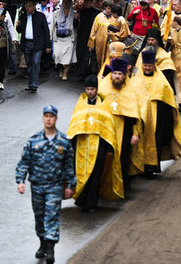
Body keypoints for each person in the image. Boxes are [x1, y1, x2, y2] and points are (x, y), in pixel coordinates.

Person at [15, 105, 75, 264]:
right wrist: (20, 181)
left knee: (52, 216)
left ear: (56, 118)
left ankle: (50, 249)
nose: (48, 119)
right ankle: (42, 243)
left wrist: (70, 184)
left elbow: (69, 165)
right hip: (37, 186)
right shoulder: (33, 140)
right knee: (39, 216)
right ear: (43, 118)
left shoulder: (63, 141)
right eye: (46, 116)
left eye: (51, 116)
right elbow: (24, 163)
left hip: (54, 186)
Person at [67, 76, 123, 212]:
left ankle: (92, 204)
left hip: (99, 147)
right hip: (82, 146)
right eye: (88, 89)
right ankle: (81, 199)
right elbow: (74, 126)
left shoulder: (104, 105)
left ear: (97, 89)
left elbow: (108, 129)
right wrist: (71, 146)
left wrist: (109, 149)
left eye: (92, 89)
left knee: (95, 176)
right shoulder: (80, 104)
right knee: (82, 174)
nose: (90, 92)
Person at [133, 49, 181, 177]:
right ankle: (138, 167)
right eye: (145, 66)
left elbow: (168, 100)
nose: (147, 68)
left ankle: (151, 168)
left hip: (157, 120)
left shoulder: (161, 82)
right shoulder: (136, 80)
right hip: (140, 119)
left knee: (154, 143)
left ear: (154, 66)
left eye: (149, 66)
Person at [97, 58, 143, 189]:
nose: (117, 76)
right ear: (111, 74)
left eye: (120, 74)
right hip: (105, 130)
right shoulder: (102, 88)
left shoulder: (130, 91)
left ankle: (121, 185)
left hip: (125, 131)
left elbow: (135, 115)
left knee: (123, 158)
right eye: (115, 73)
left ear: (124, 76)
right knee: (104, 158)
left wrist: (135, 134)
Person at [16, 0, 52, 92]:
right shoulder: (23, 16)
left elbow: (46, 31)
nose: (27, 8)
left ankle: (34, 84)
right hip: (27, 43)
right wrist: (18, 25)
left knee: (36, 62)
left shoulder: (40, 16)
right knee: (29, 63)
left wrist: (48, 45)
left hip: (38, 43)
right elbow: (19, 30)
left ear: (34, 6)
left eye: (30, 6)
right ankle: (31, 83)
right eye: (26, 6)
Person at [50, 0, 77, 80]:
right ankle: (61, 68)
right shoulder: (56, 13)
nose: (66, 3)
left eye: (68, 2)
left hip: (69, 38)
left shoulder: (74, 14)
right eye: (64, 1)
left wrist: (76, 20)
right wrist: (50, 36)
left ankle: (65, 73)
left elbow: (77, 27)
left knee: (68, 57)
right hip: (58, 38)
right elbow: (52, 25)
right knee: (57, 55)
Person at [87, 0, 115, 73]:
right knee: (98, 58)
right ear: (105, 8)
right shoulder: (99, 16)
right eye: (108, 8)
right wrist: (91, 44)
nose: (110, 10)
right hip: (99, 42)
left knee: (108, 59)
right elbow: (94, 30)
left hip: (110, 42)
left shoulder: (114, 18)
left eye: (111, 8)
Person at [75, 0, 99, 78]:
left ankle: (86, 72)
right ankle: (80, 71)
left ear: (92, 2)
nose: (86, 3)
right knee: (80, 53)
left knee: (88, 54)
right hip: (81, 35)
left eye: (88, 1)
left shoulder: (96, 12)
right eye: (85, 1)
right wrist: (76, 18)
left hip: (91, 35)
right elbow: (76, 25)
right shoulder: (81, 12)